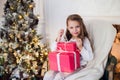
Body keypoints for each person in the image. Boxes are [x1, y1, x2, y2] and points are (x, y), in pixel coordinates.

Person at [43, 14, 94, 80]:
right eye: (71, 27)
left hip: (77, 66)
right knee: (48, 75)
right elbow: (53, 50)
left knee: (59, 77)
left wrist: (81, 47)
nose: (75, 30)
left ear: (81, 26)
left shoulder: (84, 40)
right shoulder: (66, 39)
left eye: (77, 27)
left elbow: (90, 58)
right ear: (68, 28)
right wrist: (58, 38)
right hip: (64, 65)